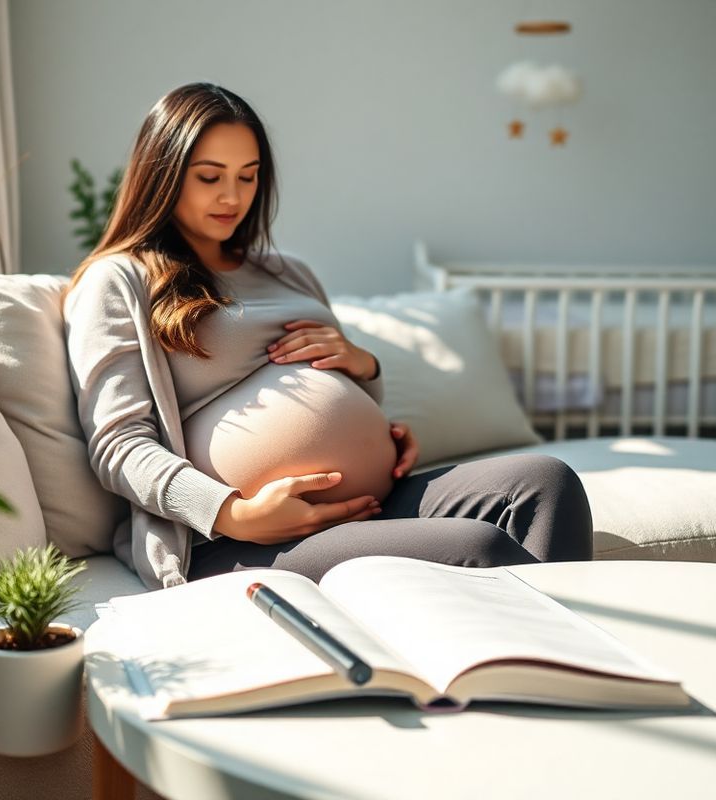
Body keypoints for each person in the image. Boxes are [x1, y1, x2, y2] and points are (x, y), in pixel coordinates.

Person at [63, 82, 592, 590]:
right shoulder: (121, 279)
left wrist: (367, 375)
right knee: (479, 548)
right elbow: (118, 445)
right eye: (210, 177)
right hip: (230, 540)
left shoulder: (289, 271)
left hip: (369, 503)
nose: (232, 196)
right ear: (163, 175)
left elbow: (341, 393)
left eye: (248, 176)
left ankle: (557, 674)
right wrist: (235, 512)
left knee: (546, 485)